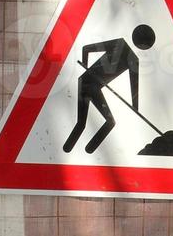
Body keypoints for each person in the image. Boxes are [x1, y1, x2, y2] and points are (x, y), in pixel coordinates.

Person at [63, 24, 156, 154]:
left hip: (83, 81)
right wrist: (135, 107)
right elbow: (134, 88)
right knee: (110, 122)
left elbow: (86, 49)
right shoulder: (129, 55)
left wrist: (86, 65)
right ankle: (89, 151)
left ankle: (67, 150)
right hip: (92, 86)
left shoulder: (124, 48)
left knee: (81, 124)